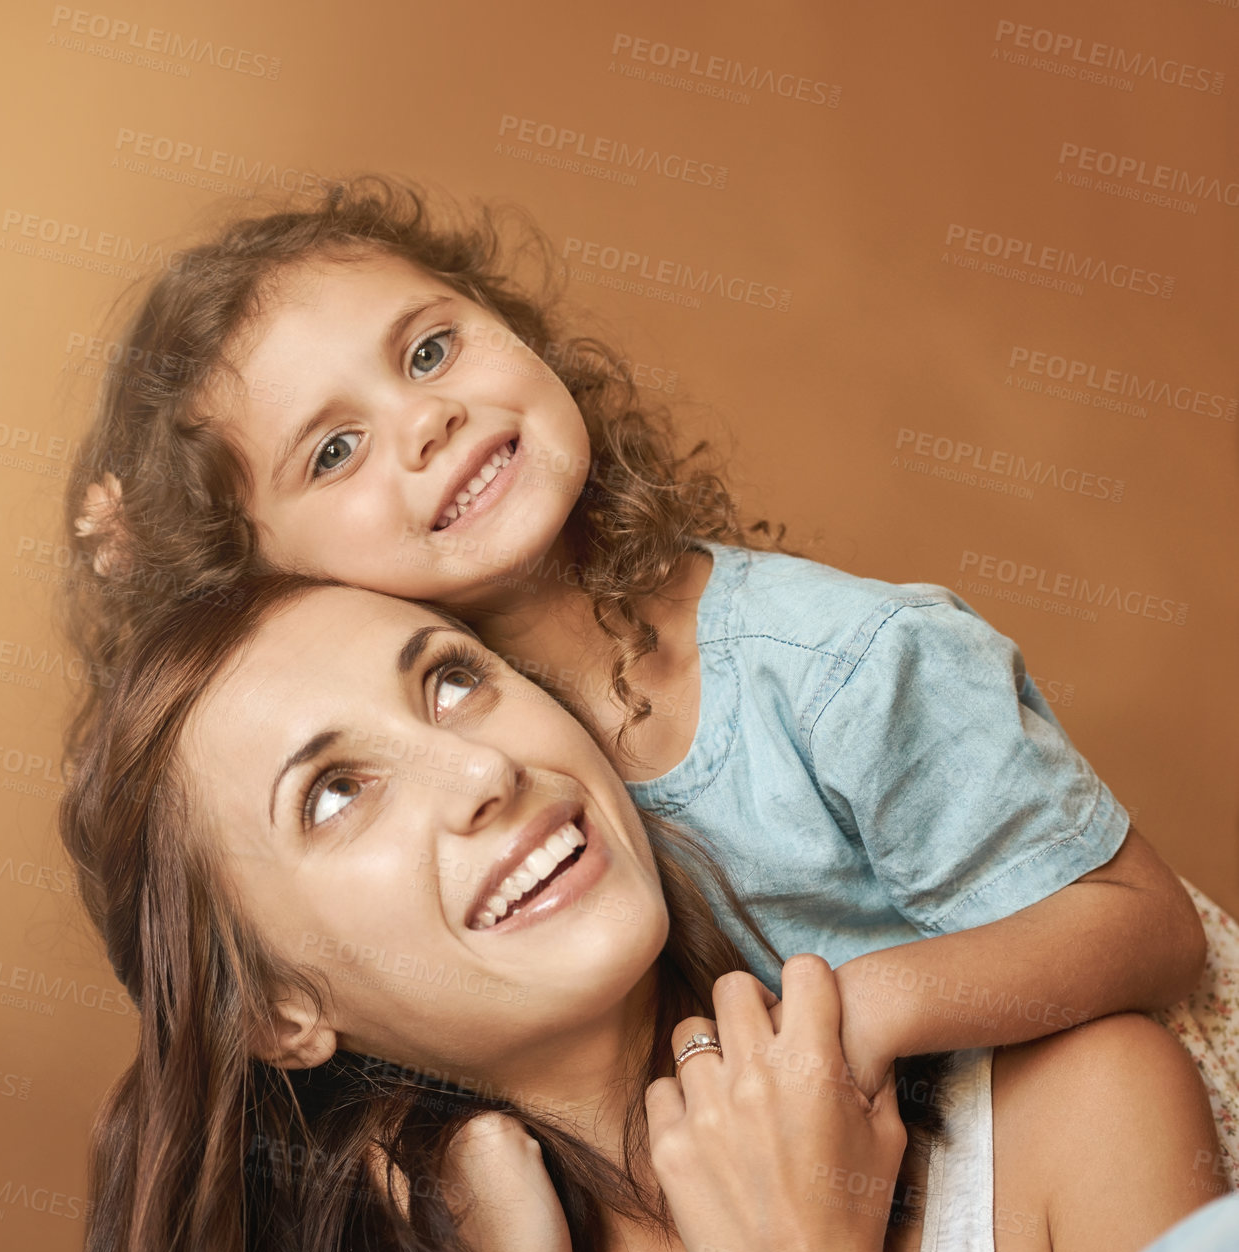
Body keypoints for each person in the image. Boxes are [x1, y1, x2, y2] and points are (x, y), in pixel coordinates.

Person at [62, 175, 1237, 1175]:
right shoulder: (463, 825)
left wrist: (859, 1010)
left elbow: (1148, 930)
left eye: (429, 350)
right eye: (333, 449)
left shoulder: (838, 668)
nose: (426, 421)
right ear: (261, 588)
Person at [55, 573, 1227, 1252]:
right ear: (275, 1009)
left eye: (452, 679)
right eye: (334, 793)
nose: (480, 775)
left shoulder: (1075, 1116)